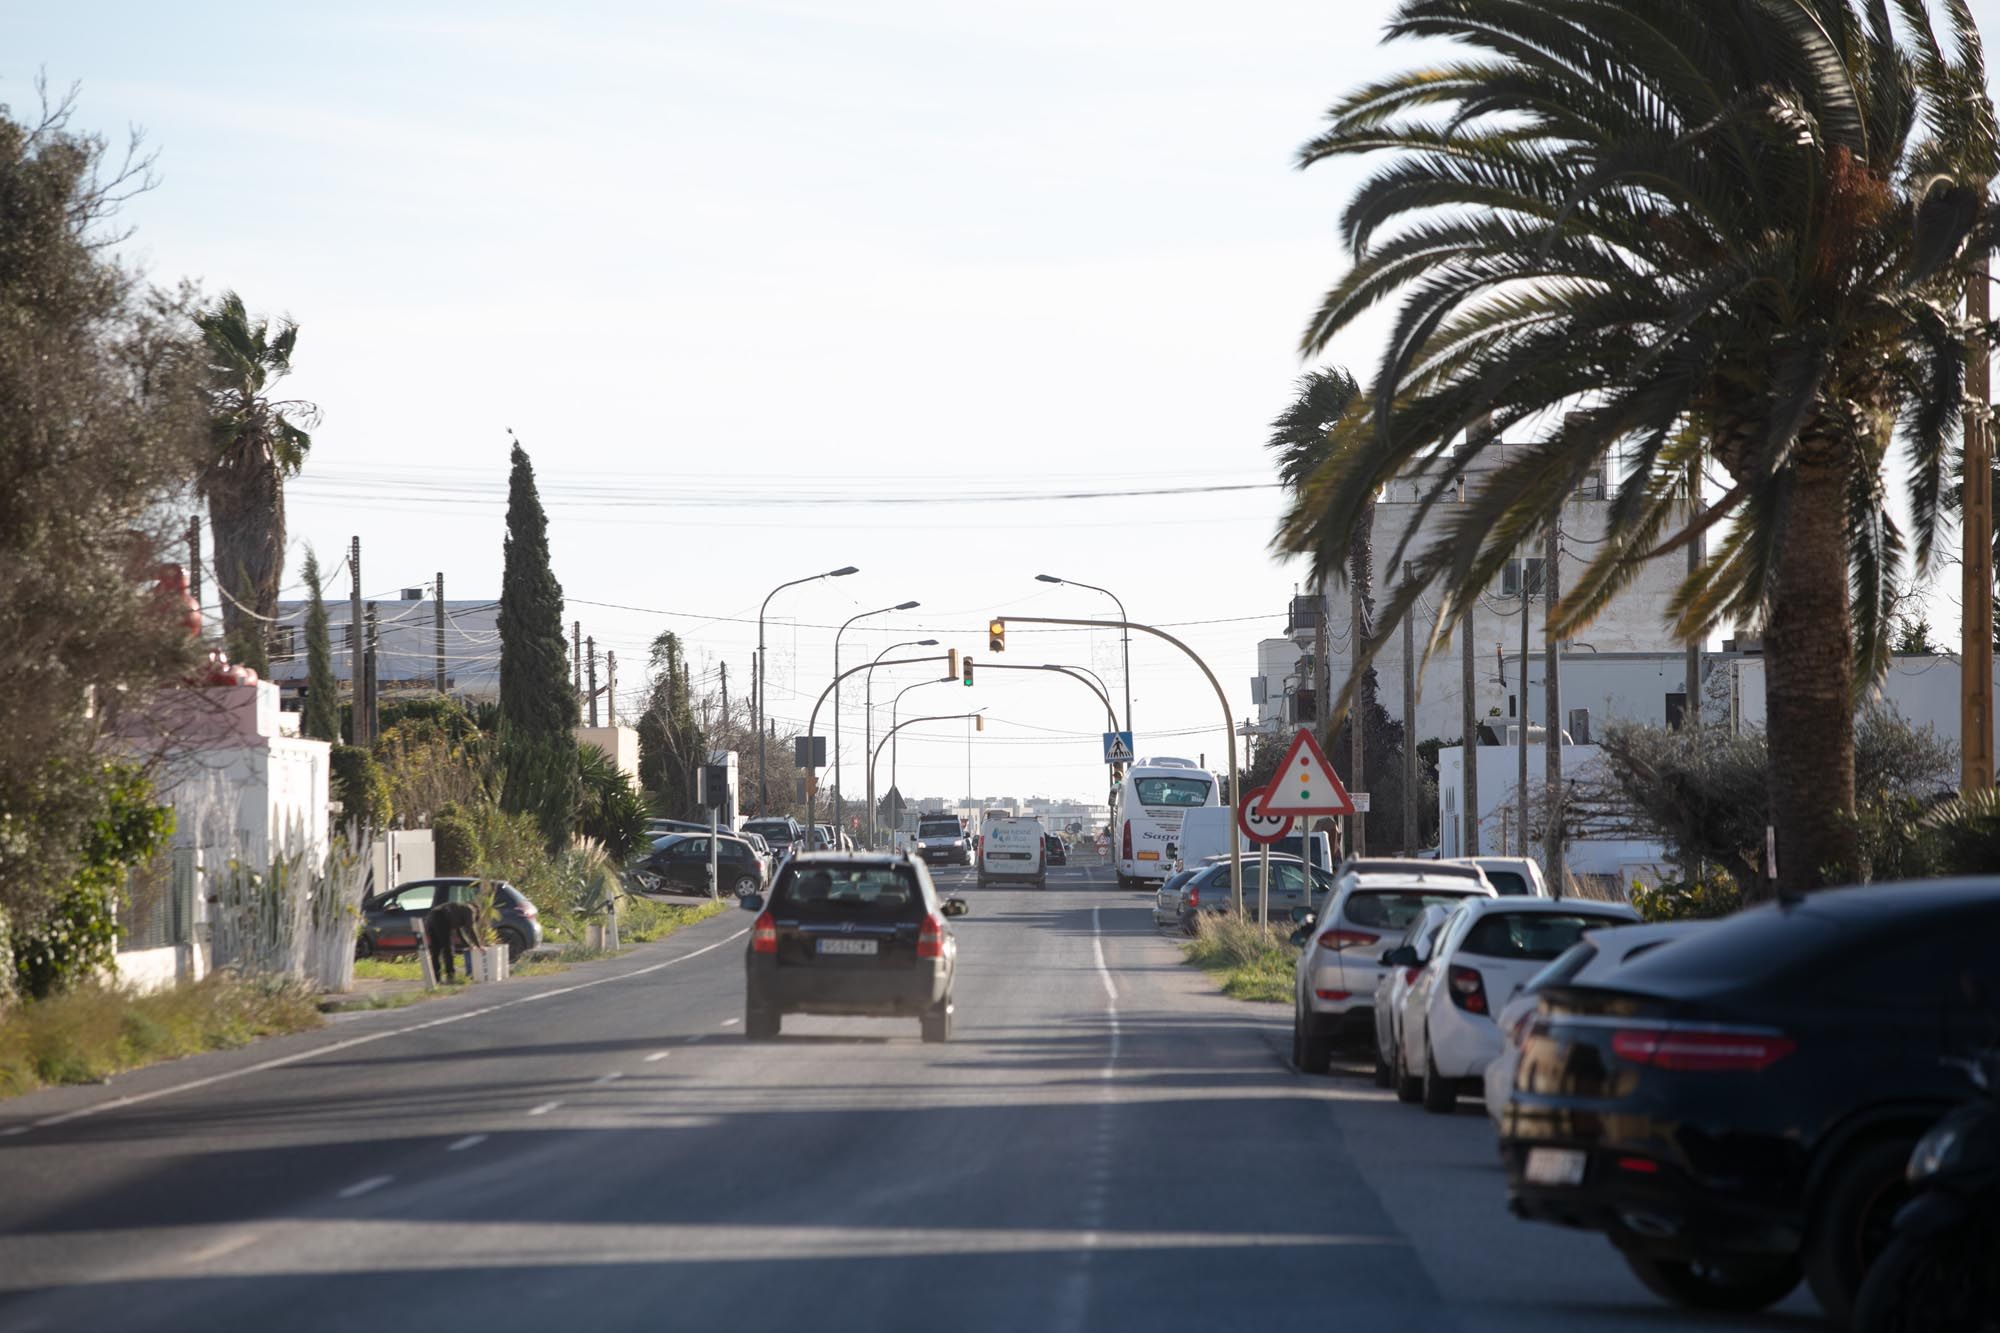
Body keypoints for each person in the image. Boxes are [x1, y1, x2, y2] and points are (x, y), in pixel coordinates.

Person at [423, 898, 485, 982]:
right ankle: (450, 976)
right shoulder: (470, 910)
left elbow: (460, 933)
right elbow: (471, 929)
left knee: (435, 951)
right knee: (447, 949)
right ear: (477, 911)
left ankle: (436, 978)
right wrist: (479, 946)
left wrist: (469, 945)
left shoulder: (459, 909)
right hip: (441, 917)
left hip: (431, 917)